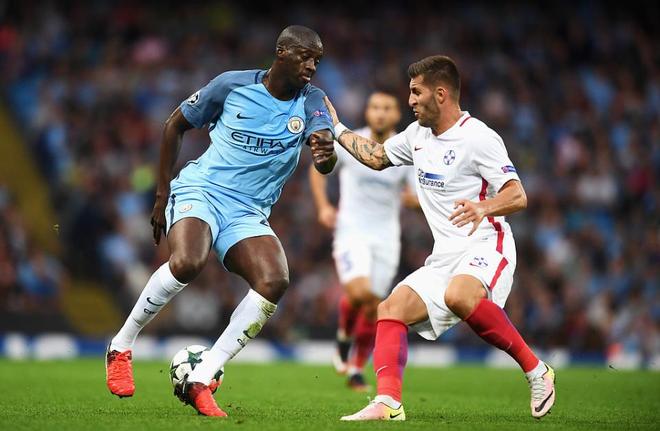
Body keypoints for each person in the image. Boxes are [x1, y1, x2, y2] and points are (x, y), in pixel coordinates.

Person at [105, 25, 336, 417]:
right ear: (281, 52)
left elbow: (324, 157)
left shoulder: (312, 100)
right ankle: (121, 346)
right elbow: (174, 125)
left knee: (274, 280)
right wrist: (161, 195)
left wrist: (325, 153)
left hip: (248, 212)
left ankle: (203, 375)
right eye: (305, 57)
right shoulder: (231, 85)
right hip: (203, 190)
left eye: (318, 60)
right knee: (187, 262)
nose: (312, 66)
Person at [324, 55, 556, 421]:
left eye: (417, 92)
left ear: (441, 94)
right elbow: (377, 157)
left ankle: (537, 370)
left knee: (459, 295)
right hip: (445, 254)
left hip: (485, 243)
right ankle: (388, 403)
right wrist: (338, 129)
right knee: (390, 309)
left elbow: (518, 194)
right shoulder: (416, 136)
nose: (410, 100)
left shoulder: (478, 137)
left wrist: (483, 207)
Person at [308, 91, 418, 391]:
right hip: (351, 231)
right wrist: (323, 206)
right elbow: (318, 170)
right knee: (359, 294)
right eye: (375, 107)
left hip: (386, 237)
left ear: (397, 115)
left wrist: (414, 201)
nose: (380, 113)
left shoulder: (406, 152)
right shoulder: (350, 141)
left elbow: (419, 196)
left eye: (387, 108)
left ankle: (356, 368)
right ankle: (344, 336)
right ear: (367, 112)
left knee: (373, 307)